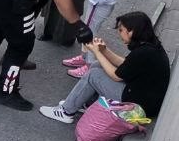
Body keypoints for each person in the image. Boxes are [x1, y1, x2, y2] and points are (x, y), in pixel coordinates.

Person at [40, 11, 170, 123]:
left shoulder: (144, 52)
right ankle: (85, 102)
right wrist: (104, 50)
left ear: (131, 32)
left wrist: (96, 52)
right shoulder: (150, 46)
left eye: (121, 30)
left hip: (138, 105)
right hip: (142, 96)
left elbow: (116, 75)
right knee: (98, 65)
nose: (119, 34)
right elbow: (125, 64)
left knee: (93, 75)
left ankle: (66, 112)